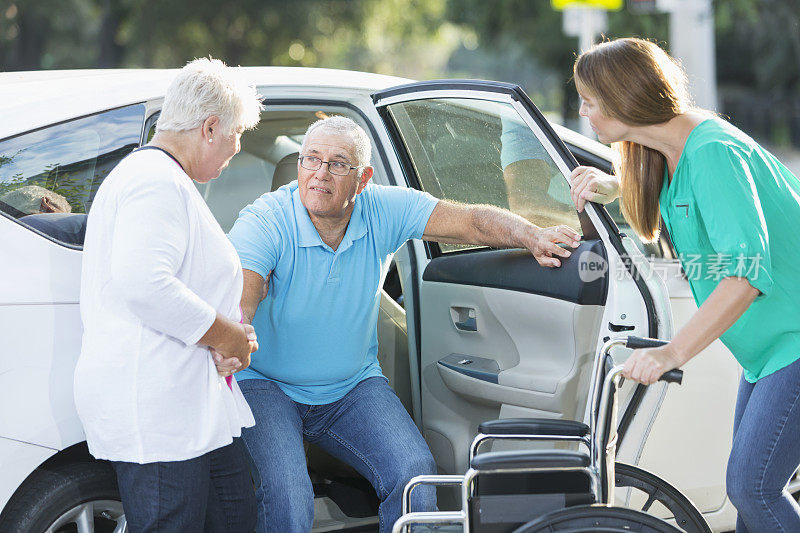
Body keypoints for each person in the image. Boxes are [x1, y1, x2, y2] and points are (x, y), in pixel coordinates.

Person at [227, 115, 581, 533]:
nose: (320, 174)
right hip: (267, 385)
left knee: (415, 474)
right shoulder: (266, 220)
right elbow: (241, 298)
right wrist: (238, 328)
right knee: (288, 493)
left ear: (363, 179)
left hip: (351, 387)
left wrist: (530, 235)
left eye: (338, 164)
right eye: (311, 160)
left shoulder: (383, 208)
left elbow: (470, 221)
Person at [569, 38, 800, 532]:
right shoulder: (675, 156)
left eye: (590, 99)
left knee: (753, 490)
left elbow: (744, 275)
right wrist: (614, 186)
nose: (583, 110)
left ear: (623, 96)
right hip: (767, 354)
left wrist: (671, 353)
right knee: (751, 502)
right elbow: (672, 225)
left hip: (794, 342)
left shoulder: (713, 151)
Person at [74, 57, 263, 532]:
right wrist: (227, 337)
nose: (236, 149)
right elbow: (146, 284)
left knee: (236, 512)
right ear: (211, 126)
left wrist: (226, 341)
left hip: (194, 408)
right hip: (159, 416)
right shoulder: (153, 180)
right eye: (236, 135)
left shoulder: (165, 179)